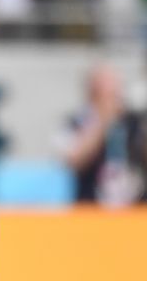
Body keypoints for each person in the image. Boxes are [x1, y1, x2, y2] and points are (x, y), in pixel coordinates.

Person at [61, 64, 147, 205]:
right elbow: (73, 161)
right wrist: (104, 122)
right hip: (93, 211)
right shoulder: (76, 122)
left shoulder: (134, 122)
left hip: (136, 212)